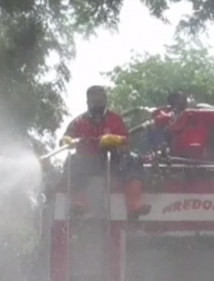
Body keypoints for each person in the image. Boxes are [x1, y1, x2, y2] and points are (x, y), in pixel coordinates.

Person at [60, 85, 150, 219]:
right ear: (88, 102)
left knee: (134, 160)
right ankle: (79, 201)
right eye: (94, 102)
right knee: (72, 161)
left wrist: (117, 140)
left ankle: (134, 204)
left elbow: (127, 140)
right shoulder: (78, 122)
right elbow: (65, 140)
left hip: (113, 161)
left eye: (101, 101)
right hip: (87, 161)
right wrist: (66, 140)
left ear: (105, 101)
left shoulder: (115, 119)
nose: (98, 105)